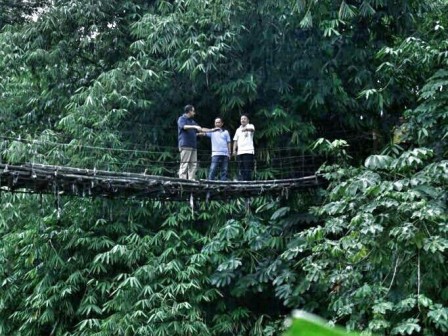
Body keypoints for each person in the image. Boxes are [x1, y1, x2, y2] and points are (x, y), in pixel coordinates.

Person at [177, 104, 214, 180]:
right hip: (185, 144)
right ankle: (182, 180)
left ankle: (191, 179)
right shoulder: (181, 119)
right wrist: (194, 127)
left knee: (193, 164)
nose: (194, 113)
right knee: (184, 163)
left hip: (193, 145)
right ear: (189, 111)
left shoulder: (192, 121)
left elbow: (200, 128)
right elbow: (183, 126)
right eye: (193, 111)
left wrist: (212, 130)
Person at [233, 114, 255, 181]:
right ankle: (243, 184)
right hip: (240, 152)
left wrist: (246, 129)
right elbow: (235, 140)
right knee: (241, 168)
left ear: (248, 120)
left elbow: (252, 130)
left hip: (248, 151)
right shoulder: (238, 129)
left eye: (244, 118)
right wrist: (234, 150)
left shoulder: (250, 126)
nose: (243, 120)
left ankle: (248, 184)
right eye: (241, 119)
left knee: (247, 169)